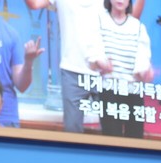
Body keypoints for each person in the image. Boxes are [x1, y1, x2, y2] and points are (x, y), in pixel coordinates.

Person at [24, 0, 107, 133]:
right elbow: (34, 4)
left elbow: (129, 19)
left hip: (105, 72)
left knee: (112, 130)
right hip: (72, 70)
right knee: (72, 131)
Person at [97, 0, 153, 138]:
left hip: (133, 90)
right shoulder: (100, 21)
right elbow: (93, 53)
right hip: (109, 89)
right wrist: (100, 62)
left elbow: (143, 60)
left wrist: (145, 72)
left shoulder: (138, 27)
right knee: (111, 139)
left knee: (135, 139)